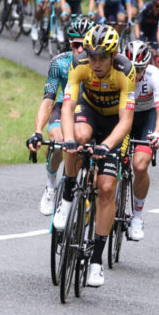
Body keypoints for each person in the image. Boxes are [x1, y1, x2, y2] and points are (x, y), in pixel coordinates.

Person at [52, 25, 135, 288]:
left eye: (102, 58)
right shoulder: (79, 64)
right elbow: (67, 106)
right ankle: (67, 196)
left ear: (114, 56)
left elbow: (126, 121)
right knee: (77, 137)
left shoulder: (125, 71)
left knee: (107, 187)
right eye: (92, 56)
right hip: (88, 111)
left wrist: (107, 146)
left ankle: (97, 261)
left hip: (114, 124)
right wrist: (67, 140)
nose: (96, 63)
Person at [26, 16, 94, 215]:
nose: (80, 50)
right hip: (65, 105)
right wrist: (37, 130)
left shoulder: (99, 64)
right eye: (76, 44)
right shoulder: (59, 63)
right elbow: (48, 99)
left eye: (85, 45)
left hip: (90, 110)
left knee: (84, 152)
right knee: (57, 141)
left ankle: (85, 195)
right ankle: (51, 185)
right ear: (70, 43)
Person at [123, 41, 159, 241]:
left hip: (145, 118)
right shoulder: (117, 71)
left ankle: (138, 216)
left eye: (139, 69)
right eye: (132, 68)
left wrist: (157, 133)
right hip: (123, 116)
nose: (135, 73)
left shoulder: (154, 76)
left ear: (146, 66)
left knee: (140, 166)